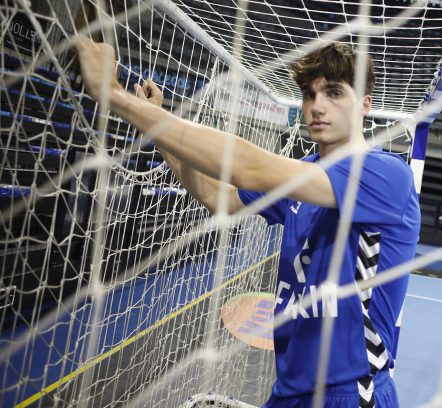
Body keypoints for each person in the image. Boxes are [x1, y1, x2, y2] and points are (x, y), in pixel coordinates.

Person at [74, 38, 420, 408]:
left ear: (365, 104)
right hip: (289, 392)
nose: (317, 106)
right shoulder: (305, 173)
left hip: (353, 394)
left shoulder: (386, 176)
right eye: (309, 93)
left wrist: (115, 96)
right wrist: (158, 133)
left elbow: (246, 167)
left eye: (334, 93)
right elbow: (217, 197)